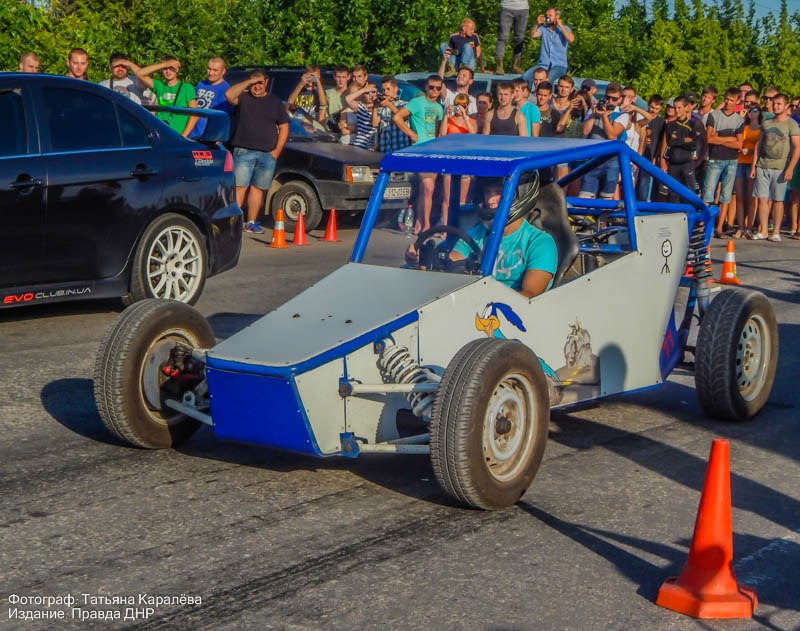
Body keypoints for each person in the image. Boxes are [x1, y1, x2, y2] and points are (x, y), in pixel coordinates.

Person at [410, 181, 557, 297]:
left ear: (520, 195)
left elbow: (529, 295)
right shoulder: (476, 233)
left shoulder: (540, 243)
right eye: (487, 192)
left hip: (511, 321)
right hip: (474, 308)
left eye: (499, 192)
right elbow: (452, 268)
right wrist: (425, 261)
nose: (490, 200)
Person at [225, 70, 289, 234]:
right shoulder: (244, 98)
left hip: (267, 154)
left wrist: (276, 152)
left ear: (266, 83)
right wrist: (249, 81)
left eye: (260, 83)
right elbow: (229, 95)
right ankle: (235, 222)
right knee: (240, 187)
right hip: (244, 151)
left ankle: (251, 222)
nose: (257, 87)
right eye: (254, 84)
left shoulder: (275, 102)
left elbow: (284, 127)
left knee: (257, 189)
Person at [393, 75, 445, 233]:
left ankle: (420, 222)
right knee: (428, 186)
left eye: (438, 88)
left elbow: (439, 129)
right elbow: (397, 117)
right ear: (426, 86)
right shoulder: (417, 102)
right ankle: (426, 224)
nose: (434, 91)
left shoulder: (439, 107)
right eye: (431, 87)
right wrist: (411, 133)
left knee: (427, 189)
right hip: (420, 149)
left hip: (434, 150)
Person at [750, 93, 800, 241]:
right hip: (763, 165)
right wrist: (754, 165)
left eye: (779, 104)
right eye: (774, 103)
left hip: (780, 167)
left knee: (778, 200)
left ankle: (776, 231)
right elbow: (758, 145)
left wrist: (790, 168)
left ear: (786, 106)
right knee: (762, 199)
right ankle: (763, 230)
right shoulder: (766, 123)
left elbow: (797, 148)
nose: (776, 106)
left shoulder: (791, 124)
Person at [578, 83, 630, 200]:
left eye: (614, 99)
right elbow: (586, 131)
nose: (610, 101)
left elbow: (612, 135)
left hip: (610, 160)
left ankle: (602, 217)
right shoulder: (595, 110)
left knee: (606, 200)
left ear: (620, 99)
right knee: (584, 197)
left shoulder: (623, 115)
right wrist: (593, 113)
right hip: (593, 157)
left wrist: (603, 117)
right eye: (607, 97)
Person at [704, 87, 744, 238]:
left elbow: (739, 144)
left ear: (736, 102)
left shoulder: (739, 120)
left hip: (732, 161)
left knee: (726, 196)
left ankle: (720, 228)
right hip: (715, 159)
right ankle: (706, 225)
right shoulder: (713, 115)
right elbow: (709, 139)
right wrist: (730, 138)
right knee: (708, 194)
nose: (728, 102)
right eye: (726, 99)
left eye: (731, 100)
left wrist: (719, 138)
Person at [439, 93, 478, 224]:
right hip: (450, 159)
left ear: (468, 106)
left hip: (465, 160)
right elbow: (442, 134)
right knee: (447, 198)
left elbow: (474, 135)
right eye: (458, 105)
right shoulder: (450, 120)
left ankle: (459, 225)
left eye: (464, 106)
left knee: (463, 199)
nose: (460, 108)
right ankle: (445, 225)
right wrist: (446, 115)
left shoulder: (472, 121)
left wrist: (465, 117)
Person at [136, 56, 199, 137]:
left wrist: (183, 136)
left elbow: (195, 114)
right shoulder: (159, 86)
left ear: (177, 69)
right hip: (159, 134)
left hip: (177, 136)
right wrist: (164, 64)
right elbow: (139, 74)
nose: (168, 71)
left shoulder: (186, 87)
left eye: (171, 68)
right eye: (165, 69)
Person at [660, 96, 706, 203]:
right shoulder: (670, 125)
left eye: (679, 108)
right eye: (675, 108)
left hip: (687, 163)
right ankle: (675, 217)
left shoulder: (693, 125)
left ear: (686, 108)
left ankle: (690, 217)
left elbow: (694, 144)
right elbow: (671, 142)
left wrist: (679, 140)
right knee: (673, 194)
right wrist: (685, 140)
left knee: (689, 193)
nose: (677, 110)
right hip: (673, 163)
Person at [735, 105, 761, 238]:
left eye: (755, 110)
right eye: (749, 110)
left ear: (759, 113)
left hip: (753, 164)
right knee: (739, 197)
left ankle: (749, 228)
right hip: (740, 162)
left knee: (752, 198)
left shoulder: (761, 129)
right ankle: (740, 227)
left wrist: (752, 152)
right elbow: (737, 141)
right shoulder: (743, 127)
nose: (751, 112)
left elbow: (761, 146)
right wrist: (741, 149)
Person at [190, 56, 231, 139]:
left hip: (208, 136)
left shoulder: (225, 89)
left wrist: (218, 136)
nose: (211, 73)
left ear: (223, 71)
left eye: (215, 70)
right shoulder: (201, 84)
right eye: (209, 69)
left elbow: (223, 117)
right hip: (192, 132)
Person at [530, 7, 574, 84]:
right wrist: (536, 23)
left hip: (559, 65)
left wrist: (561, 26)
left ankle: (549, 95)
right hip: (543, 65)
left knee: (547, 79)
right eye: (546, 15)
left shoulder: (565, 28)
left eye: (550, 15)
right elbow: (532, 34)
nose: (548, 17)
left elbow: (571, 39)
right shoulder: (543, 29)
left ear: (557, 16)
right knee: (525, 77)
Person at [635, 94, 665, 201]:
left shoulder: (661, 122)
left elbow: (661, 142)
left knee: (644, 183)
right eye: (652, 107)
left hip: (650, 155)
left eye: (657, 109)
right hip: (638, 152)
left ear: (660, 108)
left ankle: (643, 204)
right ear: (648, 104)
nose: (653, 111)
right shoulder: (641, 118)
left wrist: (655, 157)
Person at [374, 77, 410, 153]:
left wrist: (389, 105)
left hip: (400, 146)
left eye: (388, 89)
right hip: (384, 147)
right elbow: (374, 123)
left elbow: (404, 118)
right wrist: (375, 107)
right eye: (383, 90)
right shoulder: (381, 106)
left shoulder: (404, 104)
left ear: (396, 89)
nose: (385, 92)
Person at [495, 0, 529, 75]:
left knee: (520, 38)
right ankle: (499, 66)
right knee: (503, 37)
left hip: (523, 8)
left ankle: (516, 66)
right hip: (506, 7)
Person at [345, 83, 379, 150]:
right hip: (358, 145)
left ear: (377, 93)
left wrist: (376, 105)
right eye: (367, 93)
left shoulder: (380, 108)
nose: (370, 95)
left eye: (373, 92)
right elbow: (347, 99)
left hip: (372, 148)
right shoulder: (361, 106)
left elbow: (375, 124)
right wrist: (363, 90)